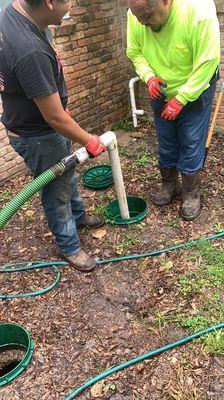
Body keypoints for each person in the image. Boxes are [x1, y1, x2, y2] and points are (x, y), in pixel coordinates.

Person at [0, 0, 107, 272]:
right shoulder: (29, 51)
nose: (71, 5)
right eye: (68, 0)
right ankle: (69, 246)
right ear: (48, 2)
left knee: (66, 174)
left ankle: (79, 217)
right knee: (55, 190)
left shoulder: (15, 12)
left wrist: (59, 104)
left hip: (42, 124)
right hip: (38, 134)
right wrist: (90, 140)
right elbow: (53, 117)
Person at [127, 0, 220, 220]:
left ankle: (191, 192)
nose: (143, 23)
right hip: (161, 87)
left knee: (190, 138)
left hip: (196, 85)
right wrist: (148, 77)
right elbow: (135, 52)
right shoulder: (136, 14)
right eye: (139, 18)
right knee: (166, 137)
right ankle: (169, 184)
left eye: (148, 16)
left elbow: (208, 61)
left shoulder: (199, 11)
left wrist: (181, 99)